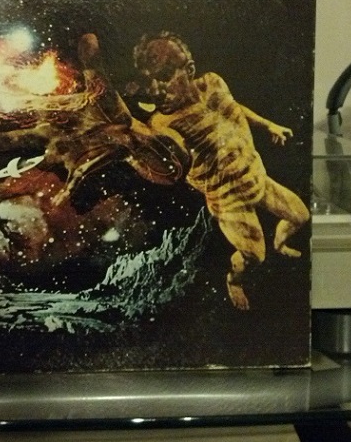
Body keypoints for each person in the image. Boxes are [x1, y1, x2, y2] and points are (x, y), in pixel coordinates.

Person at [132, 32, 310, 310]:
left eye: (164, 76)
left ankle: (280, 242)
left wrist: (268, 125)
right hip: (228, 200)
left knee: (300, 216)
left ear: (189, 70)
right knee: (254, 256)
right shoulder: (162, 123)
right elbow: (166, 160)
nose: (155, 90)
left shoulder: (214, 83)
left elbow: (234, 106)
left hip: (257, 178)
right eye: (148, 80)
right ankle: (234, 280)